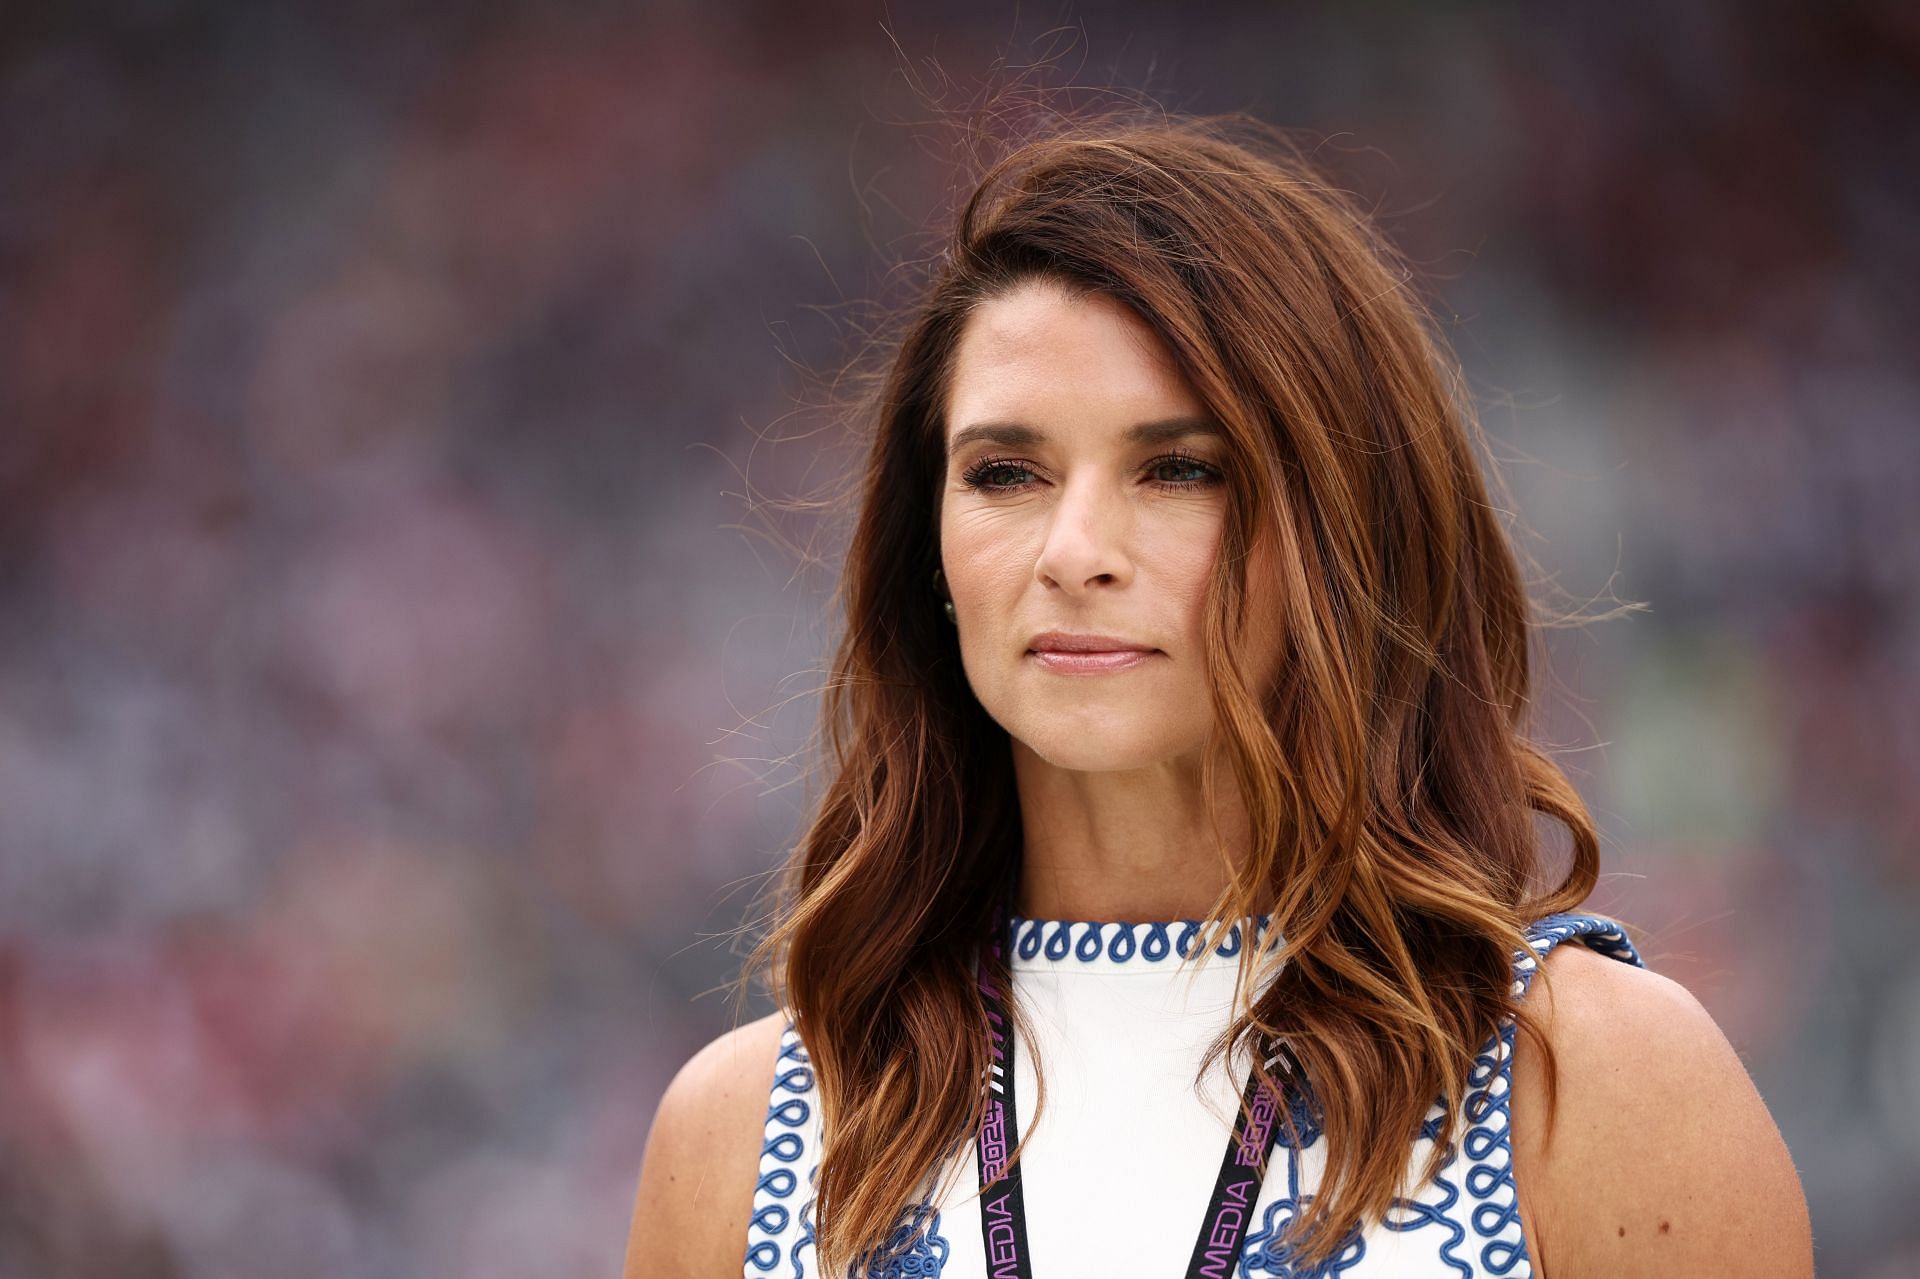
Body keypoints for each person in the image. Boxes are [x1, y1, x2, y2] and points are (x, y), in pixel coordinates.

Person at [622, 112, 1813, 1279]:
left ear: (1346, 535)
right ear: (925, 549)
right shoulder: (745, 1137)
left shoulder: (1590, 1085)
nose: (1075, 550)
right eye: (1006, 472)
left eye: (1180, 469)